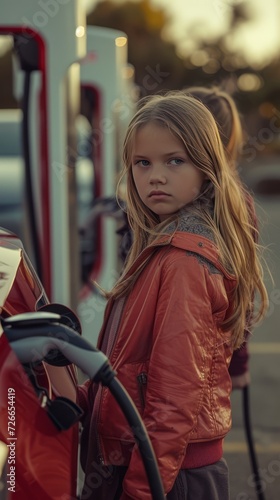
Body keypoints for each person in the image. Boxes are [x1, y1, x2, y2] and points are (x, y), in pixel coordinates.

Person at [77, 91, 268, 500]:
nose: (155, 176)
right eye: (142, 163)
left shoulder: (183, 259)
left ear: (206, 168)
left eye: (174, 161)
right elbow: (134, 367)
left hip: (166, 474)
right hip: (157, 464)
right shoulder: (161, 243)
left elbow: (174, 399)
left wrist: (142, 491)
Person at [183, 85, 258, 389]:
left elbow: (241, 289)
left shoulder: (228, 203)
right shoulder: (171, 193)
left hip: (199, 358)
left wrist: (238, 362)